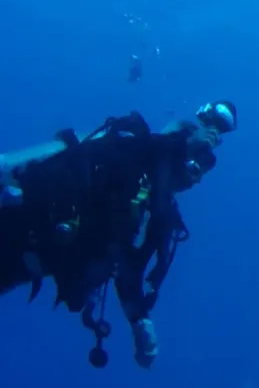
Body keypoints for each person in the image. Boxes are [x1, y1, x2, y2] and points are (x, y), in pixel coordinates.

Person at [0, 102, 237, 368]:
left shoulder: (151, 204)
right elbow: (153, 148)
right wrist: (187, 140)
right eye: (198, 162)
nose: (197, 177)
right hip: (18, 229)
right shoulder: (134, 156)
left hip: (28, 259)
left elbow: (125, 265)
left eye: (205, 168)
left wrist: (140, 321)